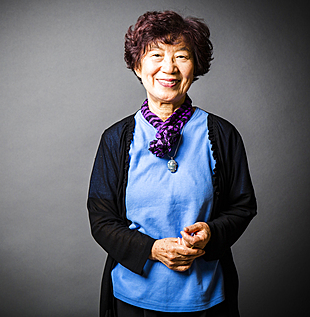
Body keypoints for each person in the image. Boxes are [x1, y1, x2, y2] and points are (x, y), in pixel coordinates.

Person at [87, 10, 257, 317]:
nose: (169, 68)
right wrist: (151, 250)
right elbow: (101, 219)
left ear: (196, 67)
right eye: (155, 55)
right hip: (132, 298)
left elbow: (242, 206)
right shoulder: (116, 138)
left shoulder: (221, 134)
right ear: (138, 65)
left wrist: (211, 233)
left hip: (206, 297)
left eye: (181, 56)